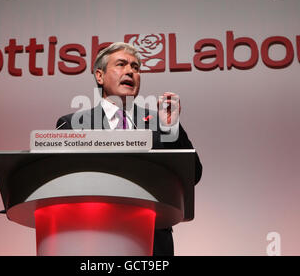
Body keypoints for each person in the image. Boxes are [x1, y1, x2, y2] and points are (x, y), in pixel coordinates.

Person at [56, 42, 202, 256]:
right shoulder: (74, 124)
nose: (130, 72)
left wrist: (171, 128)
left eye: (135, 67)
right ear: (99, 75)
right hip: (94, 239)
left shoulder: (159, 121)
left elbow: (193, 174)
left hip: (152, 241)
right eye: (121, 64)